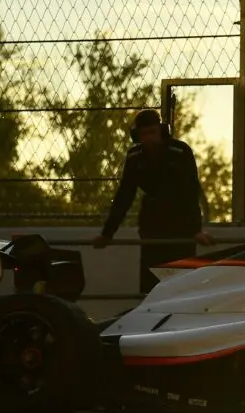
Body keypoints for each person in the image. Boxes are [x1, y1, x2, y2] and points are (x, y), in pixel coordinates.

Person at [92, 109, 214, 293]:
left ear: (162, 131)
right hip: (151, 226)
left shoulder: (180, 151)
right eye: (144, 134)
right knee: (152, 286)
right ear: (137, 136)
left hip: (180, 226)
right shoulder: (135, 157)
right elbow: (125, 195)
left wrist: (195, 229)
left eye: (152, 133)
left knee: (181, 286)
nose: (149, 139)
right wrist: (108, 233)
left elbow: (190, 191)